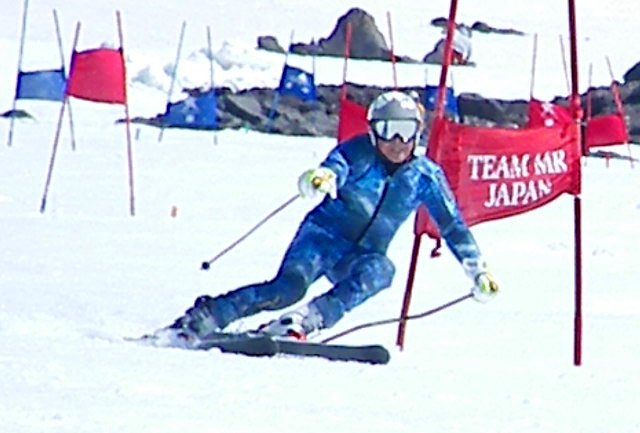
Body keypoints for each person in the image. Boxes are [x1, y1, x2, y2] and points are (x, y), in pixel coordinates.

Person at [154, 90, 498, 346]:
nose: (397, 141)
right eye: (388, 129)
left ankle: (304, 320)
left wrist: (477, 270)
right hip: (322, 239)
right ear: (374, 131)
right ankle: (206, 317)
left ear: (417, 133)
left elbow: (453, 226)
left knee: (381, 270)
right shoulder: (360, 152)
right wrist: (322, 177)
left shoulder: (425, 177)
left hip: (361, 255)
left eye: (405, 131)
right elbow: (338, 165)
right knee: (288, 288)